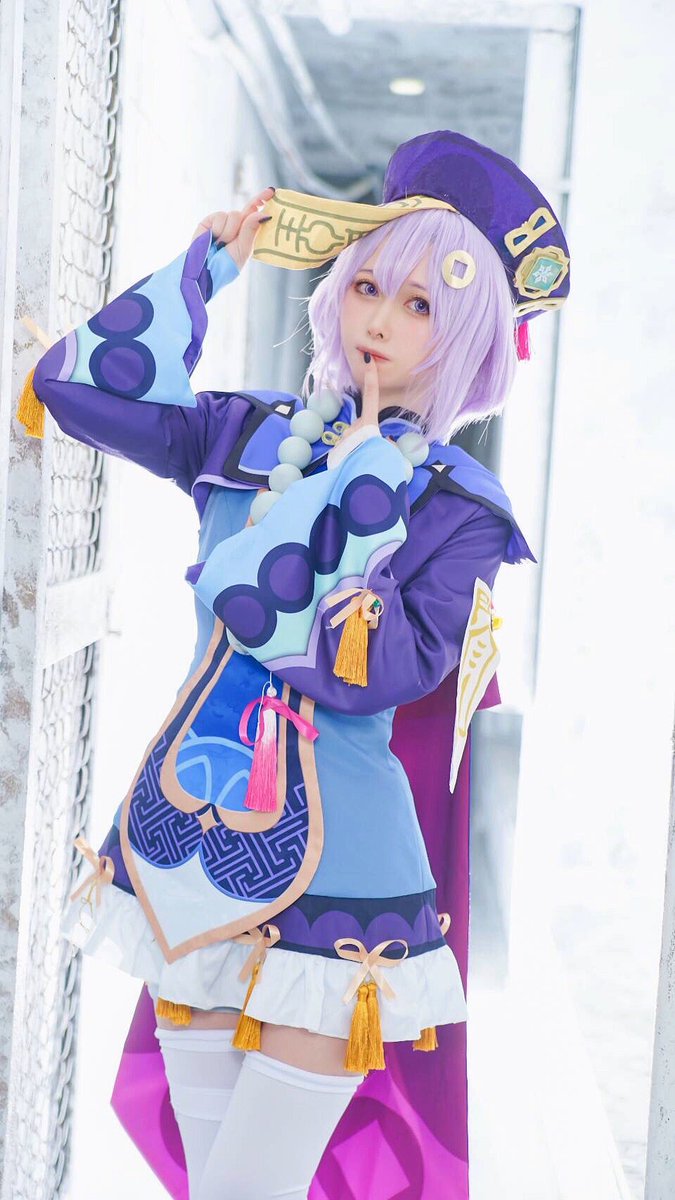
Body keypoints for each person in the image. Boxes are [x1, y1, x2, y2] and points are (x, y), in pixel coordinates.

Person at [19, 129, 569, 1199]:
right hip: (191, 838)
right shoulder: (244, 433)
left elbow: (384, 672)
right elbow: (76, 390)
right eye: (368, 286)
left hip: (344, 878)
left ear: (467, 340)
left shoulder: (458, 509)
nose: (381, 321)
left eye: (420, 305)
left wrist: (362, 499)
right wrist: (205, 270)